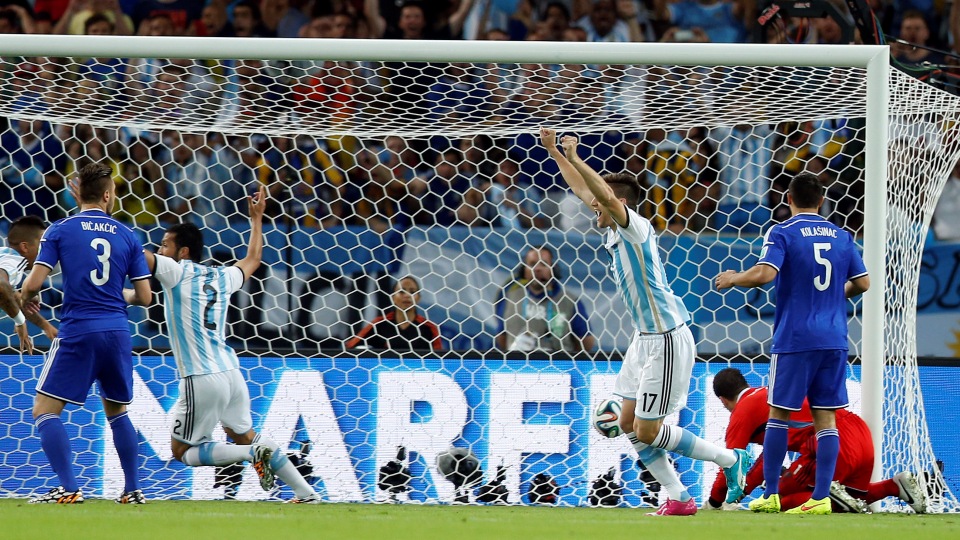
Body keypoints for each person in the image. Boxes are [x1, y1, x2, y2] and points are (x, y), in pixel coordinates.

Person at [540, 127, 751, 516]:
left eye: (601, 206)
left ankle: (729, 460)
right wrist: (557, 153)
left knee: (647, 430)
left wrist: (578, 157)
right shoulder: (613, 225)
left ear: (618, 203)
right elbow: (587, 192)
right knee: (626, 422)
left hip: (667, 338)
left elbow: (601, 194)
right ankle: (680, 498)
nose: (593, 211)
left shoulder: (634, 227)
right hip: (644, 339)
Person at [123, 185, 321, 503]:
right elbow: (254, 259)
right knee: (244, 433)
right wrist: (257, 220)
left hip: (202, 377)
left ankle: (252, 453)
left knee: (182, 451)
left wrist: (98, 217)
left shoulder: (177, 271)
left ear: (183, 252)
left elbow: (137, 253)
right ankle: (305, 492)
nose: (160, 251)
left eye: (164, 245)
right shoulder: (222, 276)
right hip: (231, 372)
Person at [715, 171, 871, 514]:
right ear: (822, 201)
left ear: (788, 200)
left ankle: (770, 494)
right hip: (834, 339)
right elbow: (863, 283)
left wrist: (733, 278)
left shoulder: (783, 231)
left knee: (778, 415)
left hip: (796, 338)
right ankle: (819, 500)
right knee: (826, 418)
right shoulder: (842, 236)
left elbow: (766, 273)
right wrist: (834, 296)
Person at [20, 163, 153, 504]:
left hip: (79, 328)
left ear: (77, 193)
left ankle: (68, 487)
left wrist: (27, 298)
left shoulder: (60, 230)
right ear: (108, 195)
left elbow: (34, 284)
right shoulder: (127, 235)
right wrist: (115, 294)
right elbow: (144, 297)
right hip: (118, 330)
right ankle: (132, 490)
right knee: (118, 411)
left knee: (44, 410)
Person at [707, 368, 927, 513]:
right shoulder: (769, 394)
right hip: (859, 433)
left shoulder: (743, 411)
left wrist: (716, 501)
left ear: (723, 399)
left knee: (780, 495)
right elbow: (767, 459)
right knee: (854, 495)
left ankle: (834, 500)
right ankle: (894, 486)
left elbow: (732, 462)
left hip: (832, 442)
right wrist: (740, 495)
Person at [494, 245, 594, 355]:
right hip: (517, 367)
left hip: (557, 368)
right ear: (524, 270)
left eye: (543, 264)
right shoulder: (509, 298)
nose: (537, 268)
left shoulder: (570, 301)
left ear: (554, 269)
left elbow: (586, 342)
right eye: (532, 264)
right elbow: (501, 337)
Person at [1, 216, 57, 353]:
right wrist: (20, 322)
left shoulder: (4, 255)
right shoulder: (14, 261)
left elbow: (11, 298)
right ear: (24, 247)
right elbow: (1, 288)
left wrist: (45, 325)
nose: (45, 250)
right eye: (42, 244)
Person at [346, 275, 443, 352]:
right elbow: (350, 348)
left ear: (419, 298)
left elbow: (440, 359)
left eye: (412, 292)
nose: (407, 295)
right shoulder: (379, 325)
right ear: (393, 298)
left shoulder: (429, 328)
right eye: (401, 292)